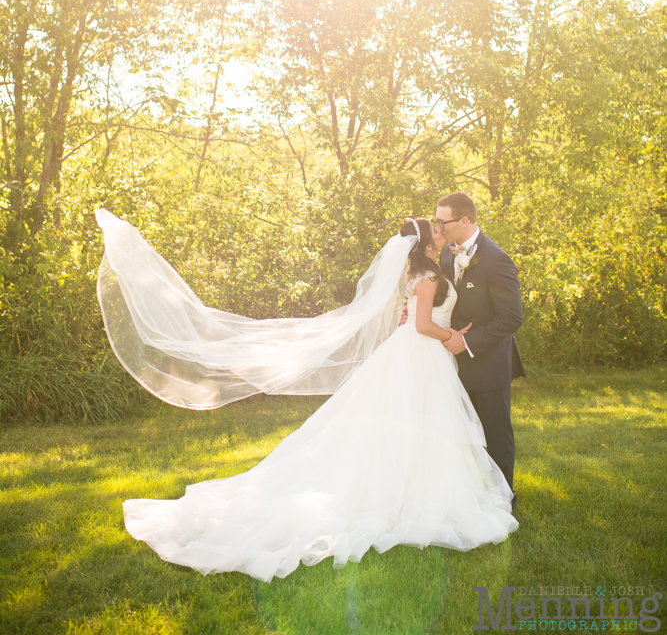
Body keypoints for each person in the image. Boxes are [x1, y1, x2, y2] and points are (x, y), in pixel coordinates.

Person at [96, 210, 518, 582]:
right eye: (436, 228)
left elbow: (421, 313)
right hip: (424, 352)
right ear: (426, 242)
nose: (442, 230)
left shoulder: (431, 267)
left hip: (419, 354)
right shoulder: (427, 273)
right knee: (419, 422)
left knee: (420, 425)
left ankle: (423, 488)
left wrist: (425, 319)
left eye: (444, 223)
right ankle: (414, 495)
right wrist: (453, 335)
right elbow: (425, 324)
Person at [417, 192, 526, 510]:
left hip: (489, 361)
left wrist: (466, 342)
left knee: (495, 433)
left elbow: (512, 317)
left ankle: (503, 498)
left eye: (443, 221)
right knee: (462, 431)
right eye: (436, 220)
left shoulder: (497, 259)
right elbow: (444, 298)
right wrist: (415, 312)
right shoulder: (448, 255)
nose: (438, 227)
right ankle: (469, 492)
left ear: (464, 221)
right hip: (451, 362)